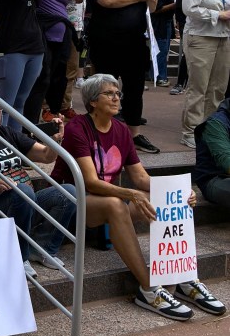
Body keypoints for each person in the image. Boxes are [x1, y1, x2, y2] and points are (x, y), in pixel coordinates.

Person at [51, 74, 225, 319]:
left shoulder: (121, 129)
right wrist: (131, 194)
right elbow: (90, 182)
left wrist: (177, 192)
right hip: (72, 201)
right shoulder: (77, 128)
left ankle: (184, 277)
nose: (115, 98)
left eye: (117, 93)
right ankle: (149, 289)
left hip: (105, 201)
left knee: (165, 199)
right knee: (116, 205)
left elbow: (141, 178)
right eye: (109, 93)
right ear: (92, 102)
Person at [0, 90, 75, 276]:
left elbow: (45, 156)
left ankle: (43, 248)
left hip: (24, 202)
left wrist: (55, 142)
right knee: (23, 192)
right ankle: (20, 256)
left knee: (68, 192)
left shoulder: (6, 133)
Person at [84, 0, 159, 154]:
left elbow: (152, 6)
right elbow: (107, 1)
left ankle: (134, 134)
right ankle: (102, 132)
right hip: (106, 43)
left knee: (135, 89)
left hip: (134, 43)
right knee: (105, 89)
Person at [23, 0, 83, 125]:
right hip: (43, 28)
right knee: (43, 73)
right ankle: (42, 111)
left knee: (62, 71)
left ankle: (56, 109)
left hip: (65, 28)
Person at [180, 0, 230, 149]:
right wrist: (218, 14)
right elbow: (189, 9)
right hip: (200, 37)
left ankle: (211, 130)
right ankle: (190, 131)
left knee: (218, 88)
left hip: (224, 37)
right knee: (198, 87)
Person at [57, 0, 86, 120]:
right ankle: (48, 106)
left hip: (77, 24)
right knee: (55, 68)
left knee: (72, 69)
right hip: (59, 24)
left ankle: (64, 106)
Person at [152, 0, 176, 87]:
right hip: (160, 24)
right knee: (162, 51)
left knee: (163, 50)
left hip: (167, 23)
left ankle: (159, 75)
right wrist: (174, 5)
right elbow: (157, 9)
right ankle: (160, 77)